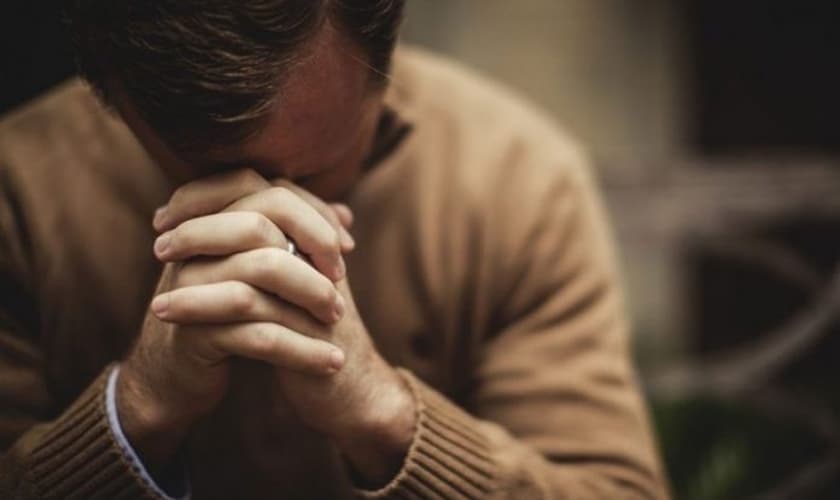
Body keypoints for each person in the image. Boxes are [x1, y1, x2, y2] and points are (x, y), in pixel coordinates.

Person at [0, 1, 668, 498]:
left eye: (317, 170)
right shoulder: (17, 191)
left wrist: (387, 419)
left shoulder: (517, 177)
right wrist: (137, 410)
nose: (269, 217)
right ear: (113, 96)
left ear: (384, 57)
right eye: (202, 172)